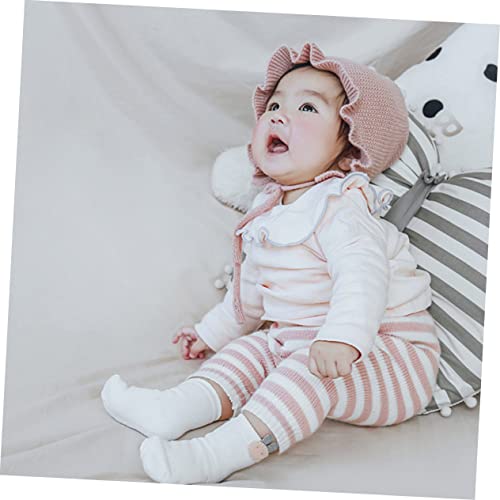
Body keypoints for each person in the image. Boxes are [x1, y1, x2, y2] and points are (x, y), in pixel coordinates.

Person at [100, 42, 440, 484]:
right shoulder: (269, 213)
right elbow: (251, 293)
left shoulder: (343, 208)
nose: (279, 116)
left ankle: (217, 454)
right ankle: (175, 410)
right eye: (274, 105)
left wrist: (342, 338)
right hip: (305, 340)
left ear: (350, 146)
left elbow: (362, 279)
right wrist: (209, 333)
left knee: (305, 370)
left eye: (307, 108)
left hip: (391, 356)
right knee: (253, 348)